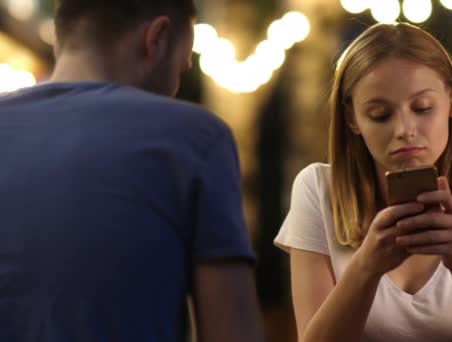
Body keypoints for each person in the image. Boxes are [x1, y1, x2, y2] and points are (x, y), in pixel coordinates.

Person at [0, 0, 264, 341]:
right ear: (156, 38)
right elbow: (231, 332)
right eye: (181, 69)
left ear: (60, 37)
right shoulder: (195, 138)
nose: (176, 84)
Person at [275, 22, 452, 342]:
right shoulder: (319, 190)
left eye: (422, 108)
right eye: (380, 114)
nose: (405, 128)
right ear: (352, 119)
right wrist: (366, 267)